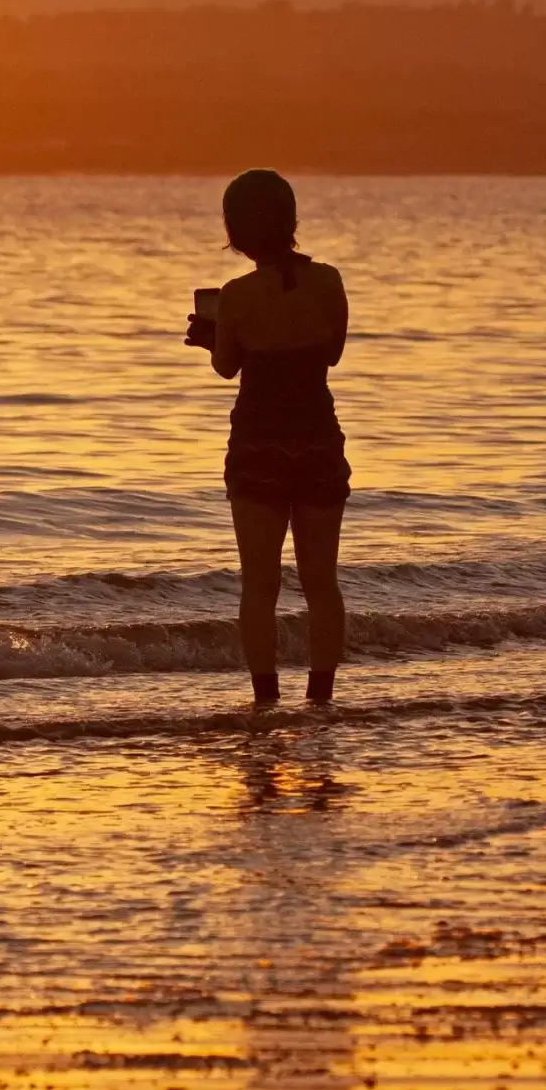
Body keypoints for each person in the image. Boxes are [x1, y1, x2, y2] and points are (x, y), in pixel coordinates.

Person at [186, 170, 349, 705]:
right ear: (292, 221)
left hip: (258, 446)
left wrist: (212, 338)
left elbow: (227, 367)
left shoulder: (235, 295)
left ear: (236, 232)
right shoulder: (329, 282)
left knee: (260, 587)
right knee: (321, 582)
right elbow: (331, 353)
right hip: (319, 442)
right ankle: (321, 699)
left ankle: (265, 701)